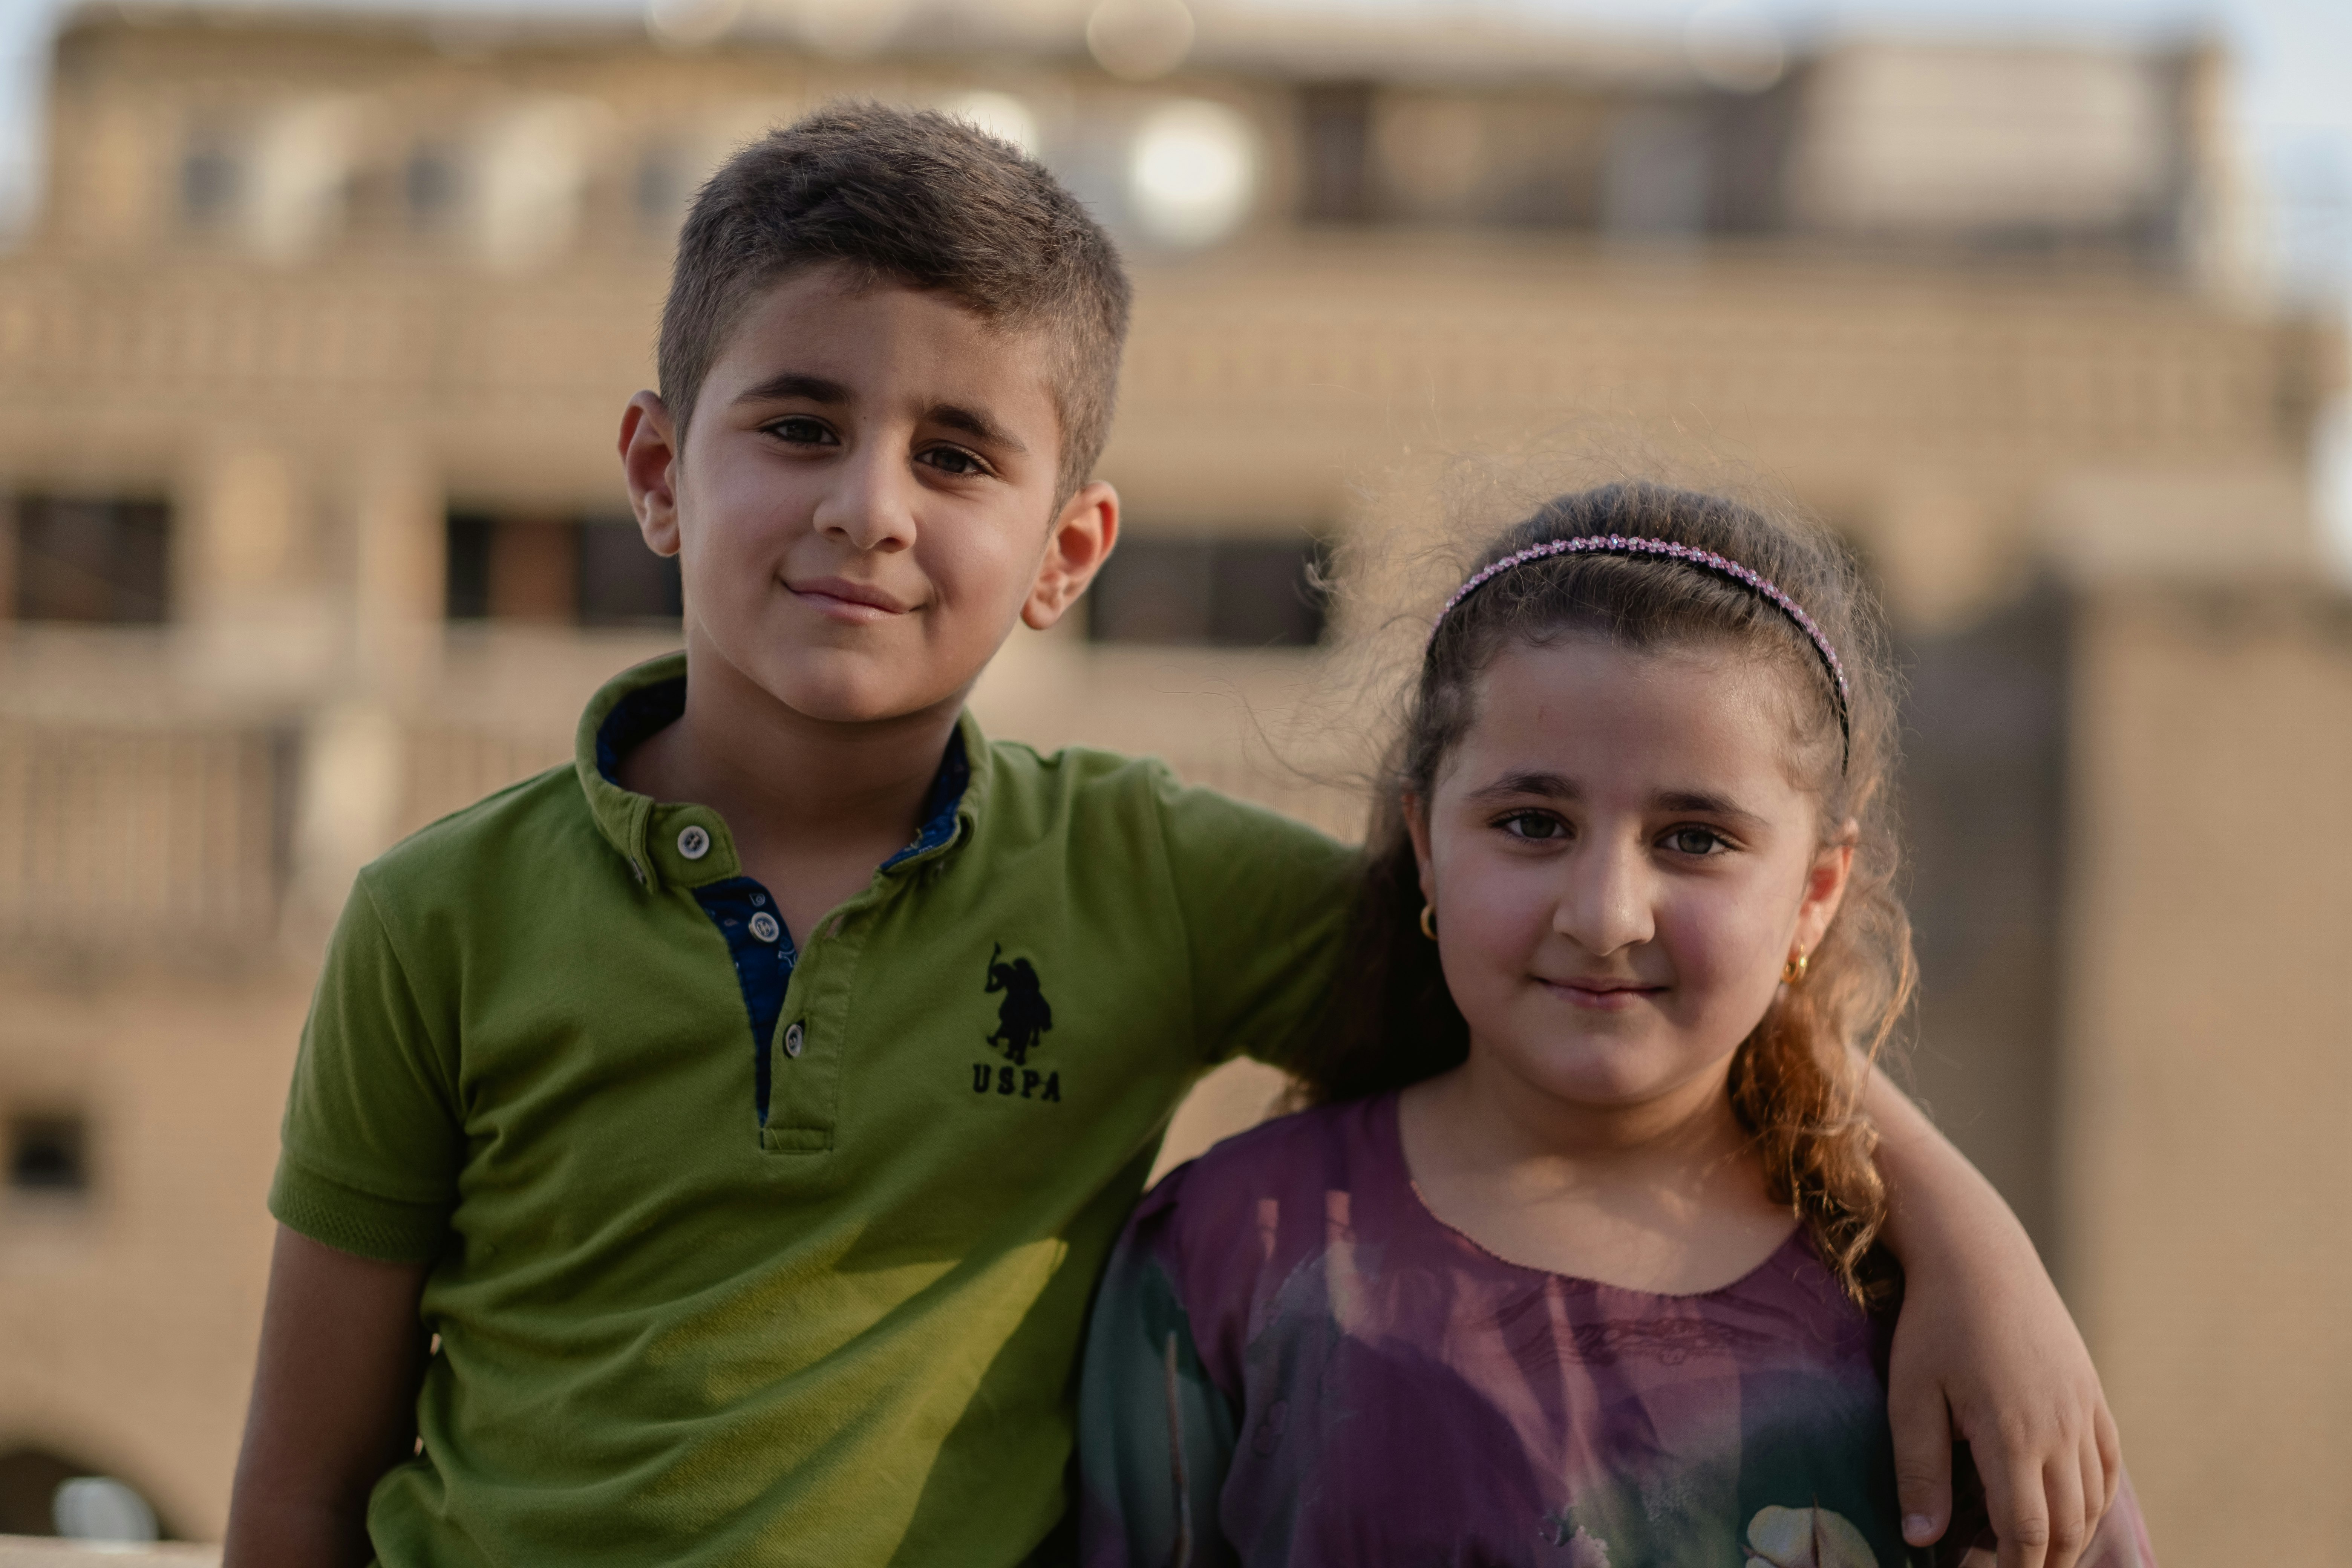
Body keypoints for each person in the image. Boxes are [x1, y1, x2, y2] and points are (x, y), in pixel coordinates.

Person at [224, 109, 2116, 1568]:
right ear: (656, 467)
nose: (871, 508)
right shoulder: (433, 915)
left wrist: (1970, 1247)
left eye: (959, 454)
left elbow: (1594, 985)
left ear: (1067, 551)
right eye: (798, 424)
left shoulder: (1147, 877)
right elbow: (300, 1485)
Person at [1077, 482, 2153, 1568]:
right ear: (1426, 840)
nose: (1603, 916)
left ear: (1817, 893)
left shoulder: (1937, 1326)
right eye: (1533, 824)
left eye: (1695, 840)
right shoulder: (1229, 1256)